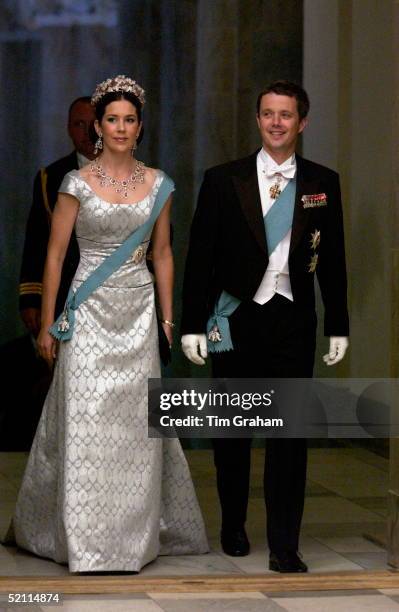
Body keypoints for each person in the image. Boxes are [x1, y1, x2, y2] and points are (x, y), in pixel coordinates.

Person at [12, 75, 208, 572]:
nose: (121, 128)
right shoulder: (75, 183)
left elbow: (163, 254)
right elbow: (55, 257)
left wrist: (167, 317)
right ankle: (82, 537)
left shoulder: (159, 183)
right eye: (112, 120)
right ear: (98, 127)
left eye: (129, 120)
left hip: (138, 311)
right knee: (83, 421)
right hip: (87, 312)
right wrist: (48, 323)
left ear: (139, 127)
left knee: (135, 427)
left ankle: (131, 539)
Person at [181, 81, 349, 573]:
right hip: (236, 319)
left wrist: (338, 325)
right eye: (269, 114)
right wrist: (193, 324)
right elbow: (200, 260)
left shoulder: (323, 181)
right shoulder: (221, 180)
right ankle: (233, 525)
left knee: (289, 437)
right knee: (233, 435)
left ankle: (284, 544)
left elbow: (334, 259)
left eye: (287, 115)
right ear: (258, 120)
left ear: (303, 122)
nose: (277, 122)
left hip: (293, 322)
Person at [19, 96, 97, 335]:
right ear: (68, 129)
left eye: (93, 124)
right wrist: (31, 298)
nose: (87, 132)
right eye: (79, 124)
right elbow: (37, 241)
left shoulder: (132, 174)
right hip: (65, 293)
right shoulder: (51, 178)